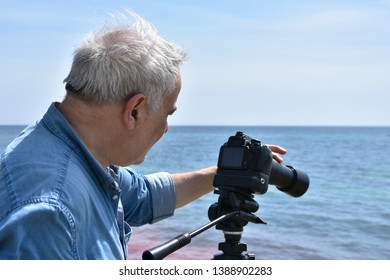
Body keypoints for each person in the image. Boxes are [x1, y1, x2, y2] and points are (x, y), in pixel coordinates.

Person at [0, 10, 286, 259]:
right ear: (135, 110)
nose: (166, 127)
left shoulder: (73, 146)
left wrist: (223, 175)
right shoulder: (49, 212)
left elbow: (141, 197)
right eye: (168, 113)